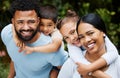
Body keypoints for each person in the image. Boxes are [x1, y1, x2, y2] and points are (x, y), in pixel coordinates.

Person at [1, 0, 68, 78]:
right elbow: (15, 58)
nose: (26, 28)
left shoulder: (51, 47)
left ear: (38, 21)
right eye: (20, 22)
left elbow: (69, 69)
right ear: (13, 22)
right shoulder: (7, 33)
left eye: (31, 22)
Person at [57, 10, 119, 77]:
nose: (72, 39)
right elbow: (81, 63)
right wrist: (92, 71)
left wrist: (89, 69)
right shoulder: (72, 54)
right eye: (66, 37)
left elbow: (113, 53)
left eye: (72, 32)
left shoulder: (117, 62)